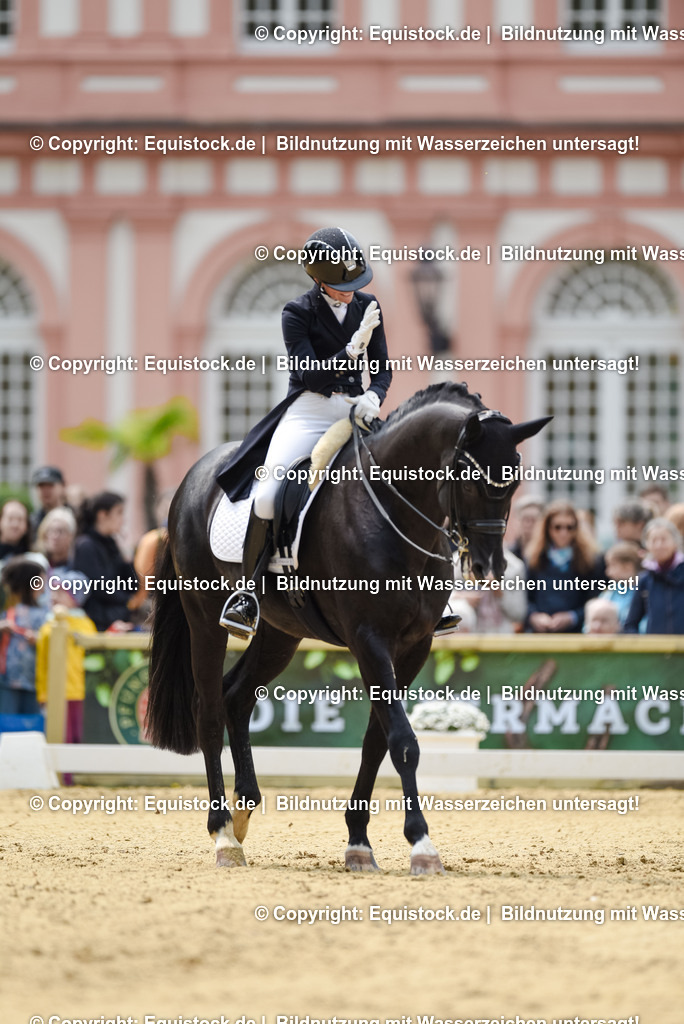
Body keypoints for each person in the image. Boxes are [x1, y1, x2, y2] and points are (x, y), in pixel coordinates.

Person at [216, 227, 392, 639]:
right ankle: (248, 593)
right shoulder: (297, 312)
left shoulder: (368, 304)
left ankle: (430, 593)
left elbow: (382, 366)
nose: (351, 292)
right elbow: (308, 373)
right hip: (309, 410)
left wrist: (375, 396)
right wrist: (351, 351)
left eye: (355, 283)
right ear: (318, 278)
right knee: (269, 494)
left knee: (400, 476)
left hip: (354, 406)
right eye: (342, 285)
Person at [524, 500, 605, 633]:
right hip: (540, 634)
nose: (563, 532)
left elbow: (596, 599)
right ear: (547, 528)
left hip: (576, 635)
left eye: (569, 527)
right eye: (557, 527)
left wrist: (572, 617)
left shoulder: (591, 560)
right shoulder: (534, 558)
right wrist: (534, 616)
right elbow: (526, 597)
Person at [71, 492, 138, 631]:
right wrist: (128, 601)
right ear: (102, 515)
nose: (123, 520)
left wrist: (126, 555)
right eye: (119, 513)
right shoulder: (86, 545)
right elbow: (99, 587)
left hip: (119, 619)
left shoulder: (114, 544)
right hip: (97, 624)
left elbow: (133, 585)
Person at [0, 557, 49, 715]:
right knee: (6, 723)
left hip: (34, 680)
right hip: (6, 680)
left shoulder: (44, 613)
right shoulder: (6, 610)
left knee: (32, 727)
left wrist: (40, 638)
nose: (42, 589)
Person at [624, 518, 684, 634]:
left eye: (664, 539)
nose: (659, 545)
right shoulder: (645, 580)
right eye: (654, 540)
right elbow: (631, 623)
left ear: (675, 542)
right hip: (656, 649)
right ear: (647, 545)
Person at [603, 541, 642, 627]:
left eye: (612, 565)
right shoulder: (610, 593)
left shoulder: (644, 592)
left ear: (628, 566)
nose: (607, 572)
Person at [29, 465, 69, 534]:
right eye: (41, 486)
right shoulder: (32, 521)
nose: (45, 491)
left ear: (62, 486)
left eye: (50, 485)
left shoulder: (77, 517)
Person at [508, 495, 545, 563]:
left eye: (533, 520)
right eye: (525, 519)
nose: (529, 524)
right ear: (517, 521)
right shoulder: (508, 554)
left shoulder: (548, 554)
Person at [0, 498, 31, 564]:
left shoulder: (32, 557)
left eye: (20, 519)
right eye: (10, 519)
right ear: (1, 521)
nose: (15, 525)